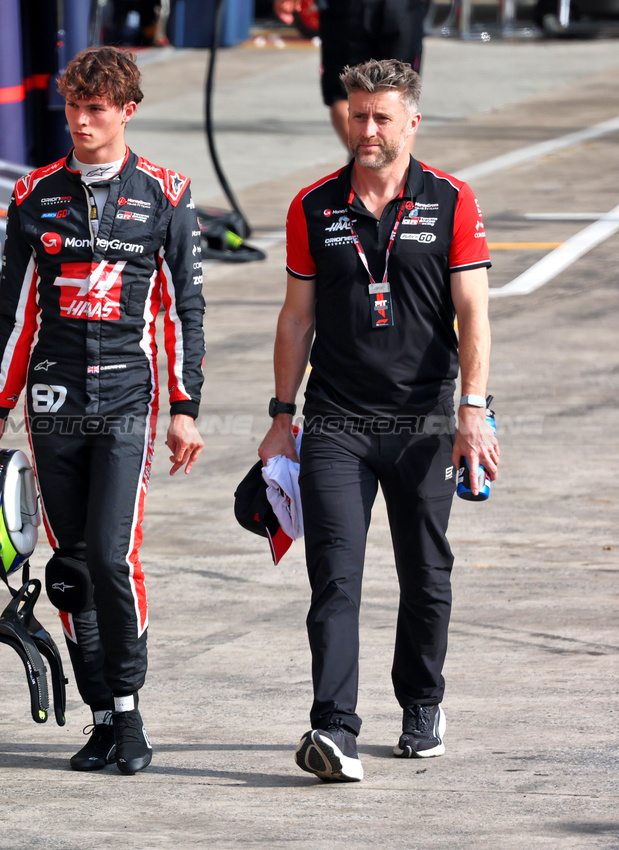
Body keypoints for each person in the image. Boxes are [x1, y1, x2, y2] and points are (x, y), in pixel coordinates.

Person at [0, 46, 206, 776]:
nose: (80, 120)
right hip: (52, 401)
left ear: (126, 111)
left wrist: (183, 406)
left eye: (95, 109)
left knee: (109, 556)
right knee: (69, 566)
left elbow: (180, 309)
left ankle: (129, 714)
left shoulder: (166, 192)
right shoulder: (33, 193)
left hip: (126, 401)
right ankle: (100, 716)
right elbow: (15, 316)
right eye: (72, 107)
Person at [258, 58, 498, 782]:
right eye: (357, 115)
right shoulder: (313, 207)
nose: (366, 129)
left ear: (410, 121)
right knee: (334, 577)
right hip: (336, 421)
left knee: (426, 577)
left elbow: (473, 316)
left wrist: (471, 411)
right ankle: (333, 728)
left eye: (381, 117)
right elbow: (296, 321)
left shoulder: (450, 200)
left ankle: (421, 701)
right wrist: (279, 416)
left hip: (425, 420)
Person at [274, 0, 428, 150]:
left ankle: (366, 158)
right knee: (402, 92)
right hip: (400, 8)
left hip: (349, 9)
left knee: (343, 91)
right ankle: (392, 168)